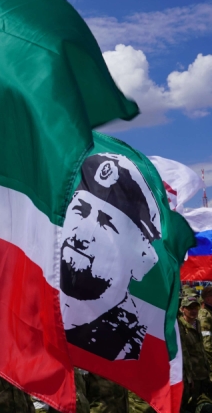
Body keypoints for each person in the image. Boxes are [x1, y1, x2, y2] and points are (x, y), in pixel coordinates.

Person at [60, 153, 162, 362]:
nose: (81, 237)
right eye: (80, 211)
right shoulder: (23, 304)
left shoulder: (137, 347)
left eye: (106, 223)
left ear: (142, 261)